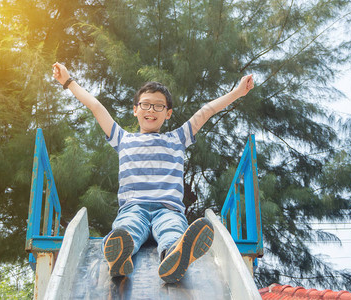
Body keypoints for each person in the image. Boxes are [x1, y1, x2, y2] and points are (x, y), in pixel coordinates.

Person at [52, 62, 254, 283]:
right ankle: (119, 257)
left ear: (168, 114)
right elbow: (96, 107)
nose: (151, 110)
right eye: (145, 105)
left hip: (168, 208)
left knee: (173, 230)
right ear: (135, 109)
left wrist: (238, 92)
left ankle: (174, 257)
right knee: (126, 229)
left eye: (158, 106)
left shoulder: (177, 138)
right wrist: (68, 81)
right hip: (133, 207)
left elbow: (206, 111)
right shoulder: (123, 138)